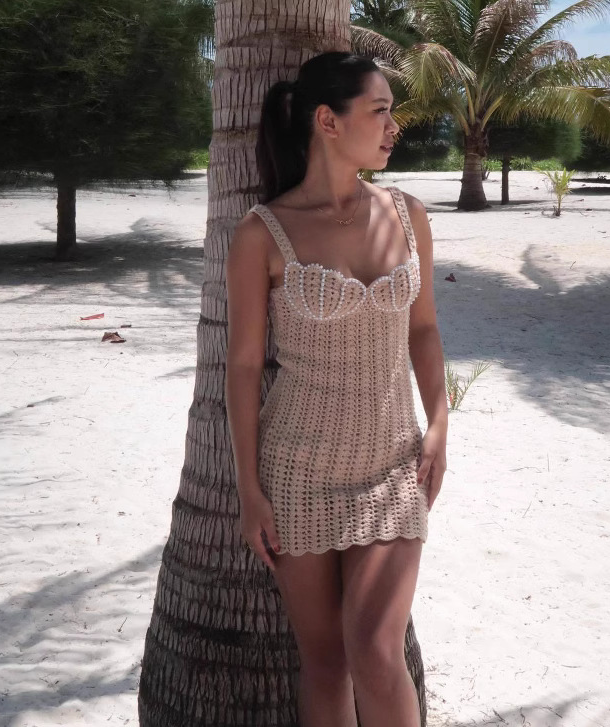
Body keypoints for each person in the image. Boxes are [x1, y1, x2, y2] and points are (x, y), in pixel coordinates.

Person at [224, 51, 448, 726]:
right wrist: (249, 488)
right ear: (328, 120)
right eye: (379, 111)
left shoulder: (407, 214)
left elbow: (424, 329)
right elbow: (243, 366)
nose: (393, 127)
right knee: (324, 663)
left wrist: (439, 423)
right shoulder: (263, 233)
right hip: (298, 471)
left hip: (392, 465)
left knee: (376, 650)